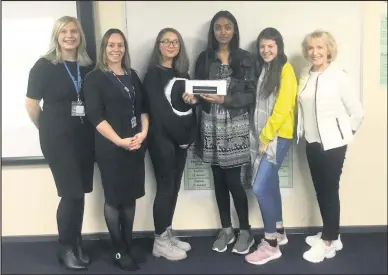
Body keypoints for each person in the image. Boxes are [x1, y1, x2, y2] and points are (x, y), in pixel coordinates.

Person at [183, 10, 256, 255]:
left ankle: (245, 230)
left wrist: (224, 99)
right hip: (210, 123)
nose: (223, 31)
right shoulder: (204, 58)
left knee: (234, 180)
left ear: (234, 30)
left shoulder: (245, 58)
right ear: (212, 31)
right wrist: (192, 97)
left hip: (234, 123)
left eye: (227, 27)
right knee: (218, 179)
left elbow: (249, 94)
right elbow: (196, 88)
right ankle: (226, 229)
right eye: (218, 27)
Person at [25, 16, 94, 270]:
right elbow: (31, 106)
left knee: (81, 193)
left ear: (80, 36)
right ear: (57, 36)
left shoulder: (88, 66)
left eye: (74, 31)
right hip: (57, 138)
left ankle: (76, 242)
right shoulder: (44, 66)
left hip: (84, 137)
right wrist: (47, 130)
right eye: (64, 31)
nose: (69, 36)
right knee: (70, 192)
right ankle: (65, 247)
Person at [83, 28, 149, 271]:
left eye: (120, 45)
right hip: (110, 148)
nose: (116, 49)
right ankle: (119, 250)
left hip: (134, 145)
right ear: (104, 48)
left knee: (130, 196)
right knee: (113, 199)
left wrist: (143, 133)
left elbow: (143, 108)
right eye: (111, 45)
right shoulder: (95, 78)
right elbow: (95, 117)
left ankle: (129, 244)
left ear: (125, 48)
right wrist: (119, 141)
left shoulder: (132, 75)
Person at [296, 30, 364, 263]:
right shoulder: (306, 74)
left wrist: (343, 135)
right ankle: (331, 234)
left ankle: (328, 241)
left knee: (329, 190)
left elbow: (357, 112)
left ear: (328, 50)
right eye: (311, 48)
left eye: (320, 48)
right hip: (312, 141)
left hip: (333, 144)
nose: (314, 52)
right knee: (320, 189)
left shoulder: (339, 76)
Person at [244, 27, 297, 265]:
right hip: (263, 136)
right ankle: (279, 231)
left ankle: (270, 244)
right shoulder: (264, 69)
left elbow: (282, 108)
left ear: (279, 47)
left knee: (260, 187)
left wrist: (265, 137)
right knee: (271, 183)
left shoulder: (286, 70)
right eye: (262, 46)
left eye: (271, 46)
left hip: (276, 137)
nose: (266, 50)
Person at [143, 27, 197, 261]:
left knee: (174, 188)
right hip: (162, 141)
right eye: (166, 41)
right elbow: (161, 113)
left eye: (175, 41)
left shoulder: (184, 74)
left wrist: (192, 101)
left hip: (180, 142)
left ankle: (167, 232)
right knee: (165, 189)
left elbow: (187, 110)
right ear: (158, 46)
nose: (171, 45)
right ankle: (159, 242)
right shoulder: (153, 74)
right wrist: (182, 139)